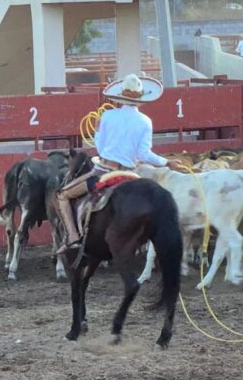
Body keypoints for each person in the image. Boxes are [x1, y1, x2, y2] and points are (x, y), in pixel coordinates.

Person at [54, 74, 182, 252]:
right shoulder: (146, 122)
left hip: (104, 171)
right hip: (131, 175)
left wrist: (97, 131)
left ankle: (73, 239)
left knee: (62, 196)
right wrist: (167, 162)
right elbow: (144, 154)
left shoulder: (108, 116)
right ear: (141, 98)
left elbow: (100, 148)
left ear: (121, 96)